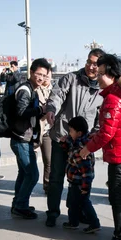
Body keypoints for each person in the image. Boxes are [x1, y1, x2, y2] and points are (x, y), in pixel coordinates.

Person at [79, 54, 121, 240]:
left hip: (120, 155)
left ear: (112, 75)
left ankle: (120, 238)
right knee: (120, 196)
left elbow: (106, 133)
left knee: (116, 198)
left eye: (101, 74)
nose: (97, 77)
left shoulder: (113, 100)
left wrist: (86, 149)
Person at [44, 49, 105, 227]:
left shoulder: (102, 89)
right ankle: (52, 212)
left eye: (95, 64)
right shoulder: (70, 79)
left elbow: (101, 120)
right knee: (56, 178)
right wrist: (51, 110)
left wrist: (91, 140)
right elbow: (56, 96)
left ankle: (76, 213)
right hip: (62, 137)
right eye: (89, 61)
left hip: (83, 145)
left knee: (80, 180)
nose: (90, 66)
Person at [9, 58, 52, 219]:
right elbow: (21, 111)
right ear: (31, 72)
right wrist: (40, 109)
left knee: (23, 174)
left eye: (44, 75)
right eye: (38, 74)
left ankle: (19, 203)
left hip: (24, 138)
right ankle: (20, 206)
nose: (41, 78)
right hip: (21, 139)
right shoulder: (25, 90)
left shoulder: (31, 89)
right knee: (32, 174)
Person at [63, 116, 101, 233]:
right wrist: (64, 142)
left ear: (79, 133)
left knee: (83, 202)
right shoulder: (77, 142)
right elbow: (69, 149)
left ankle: (94, 223)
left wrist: (85, 187)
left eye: (71, 131)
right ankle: (73, 222)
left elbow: (87, 172)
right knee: (72, 203)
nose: (69, 133)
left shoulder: (82, 150)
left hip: (80, 182)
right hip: (75, 181)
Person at [36, 70, 53, 193]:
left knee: (49, 160)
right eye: (43, 75)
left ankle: (47, 185)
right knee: (30, 162)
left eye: (48, 75)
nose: (46, 77)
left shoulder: (56, 90)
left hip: (48, 130)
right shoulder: (35, 90)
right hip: (35, 129)